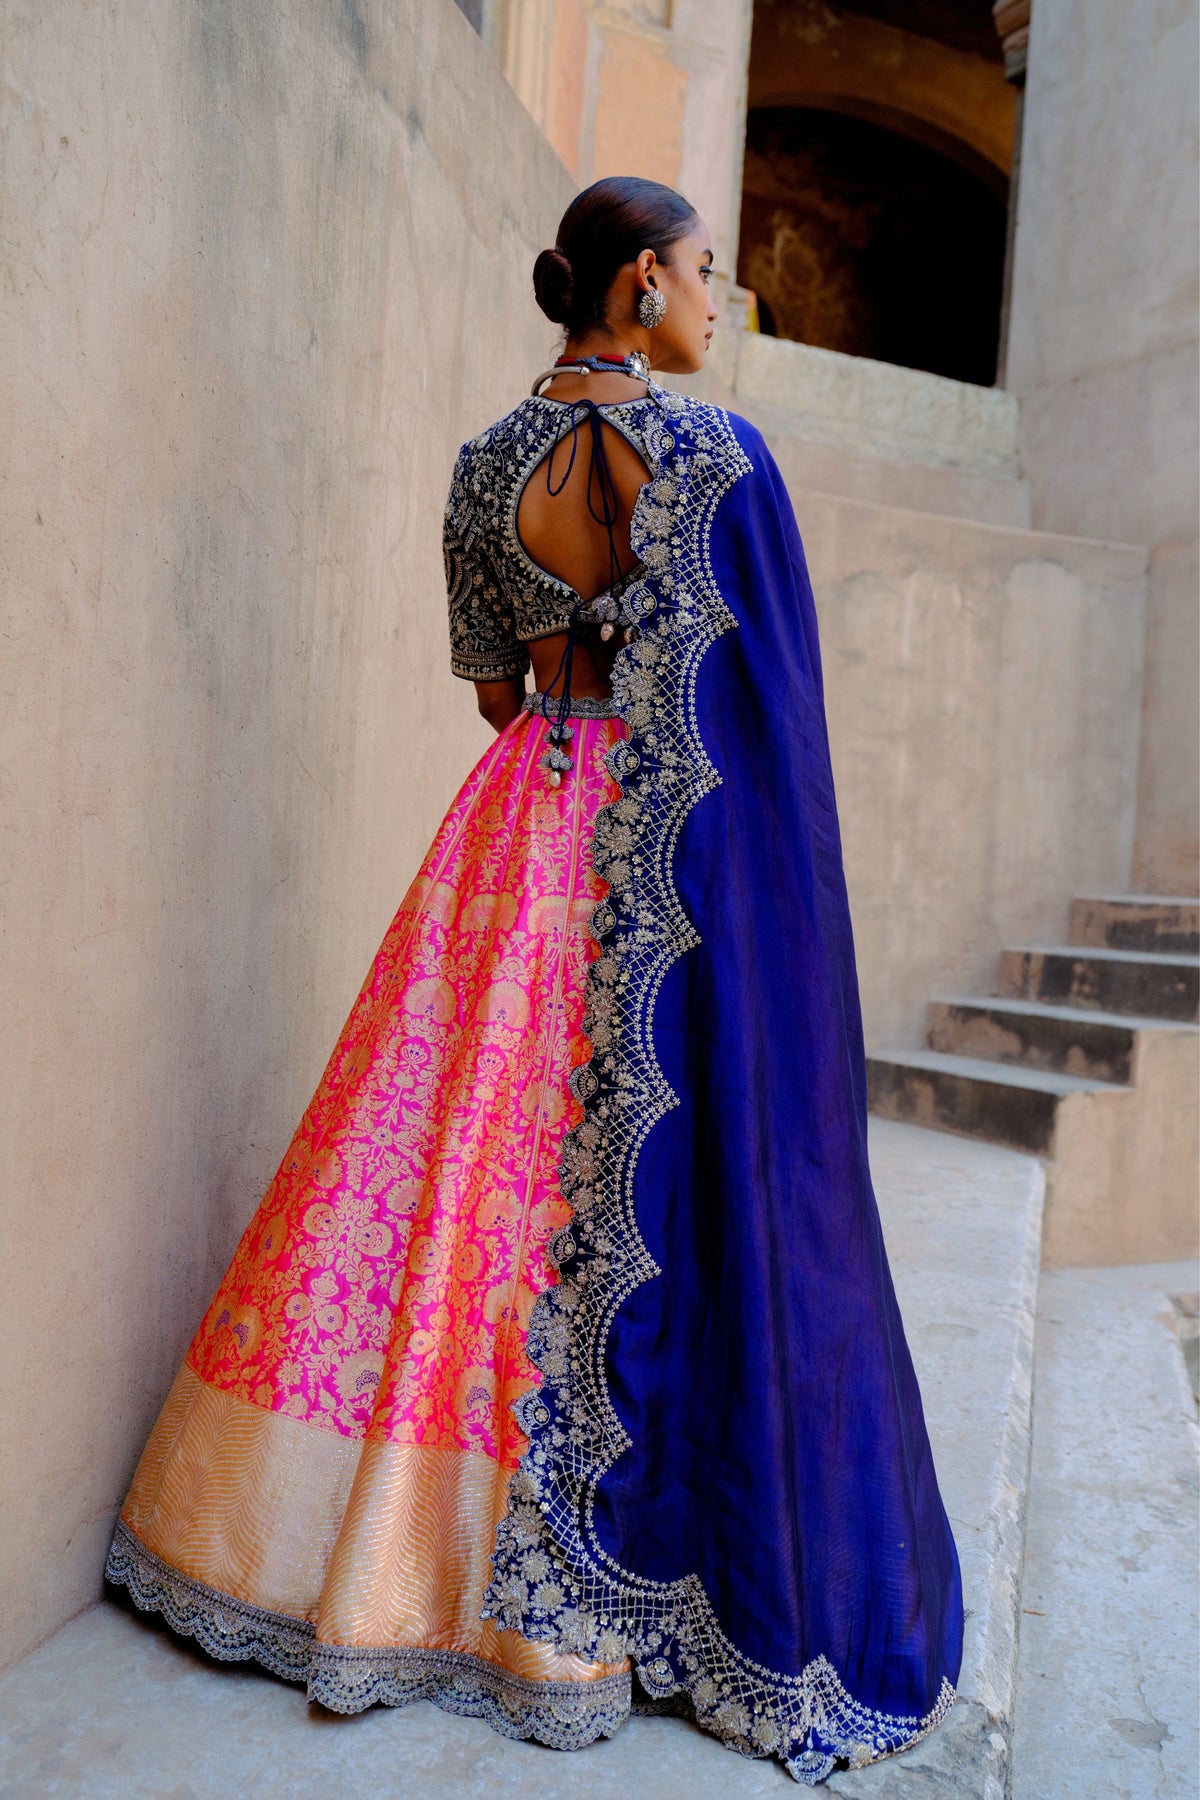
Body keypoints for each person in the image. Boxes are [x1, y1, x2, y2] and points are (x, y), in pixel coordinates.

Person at [106, 176, 963, 1787]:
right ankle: (563, 1563)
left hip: (514, 827)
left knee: (448, 1151)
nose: (723, 305)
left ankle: (322, 1538)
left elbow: (496, 695)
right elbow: (762, 731)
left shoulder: (481, 466)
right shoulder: (714, 459)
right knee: (611, 1170)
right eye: (708, 275)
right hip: (669, 857)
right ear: (640, 282)